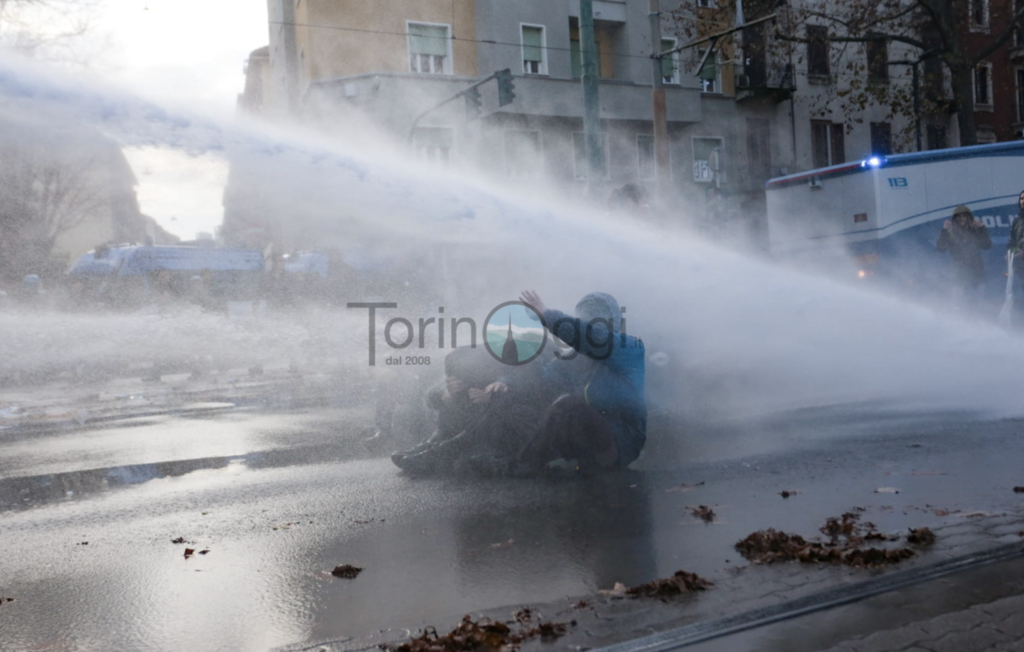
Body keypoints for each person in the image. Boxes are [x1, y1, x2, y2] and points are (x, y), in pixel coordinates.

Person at [515, 290, 646, 473]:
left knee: (568, 405)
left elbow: (592, 338)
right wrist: (504, 384)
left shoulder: (630, 347)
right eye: (585, 318)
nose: (589, 322)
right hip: (585, 438)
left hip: (619, 442)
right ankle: (529, 459)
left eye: (595, 318)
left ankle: (520, 468)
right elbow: (542, 379)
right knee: (518, 404)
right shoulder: (576, 358)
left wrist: (546, 315)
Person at [390, 346, 547, 476]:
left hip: (521, 430)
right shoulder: (473, 358)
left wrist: (495, 395)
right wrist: (445, 394)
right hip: (480, 423)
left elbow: (530, 385)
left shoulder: (523, 356)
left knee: (499, 410)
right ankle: (433, 445)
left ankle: (440, 452)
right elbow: (432, 394)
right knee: (453, 403)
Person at [936, 205, 991, 297]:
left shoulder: (976, 230)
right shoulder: (950, 231)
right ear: (955, 218)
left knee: (979, 299)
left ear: (968, 217)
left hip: (976, 270)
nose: (961, 219)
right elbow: (940, 248)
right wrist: (944, 230)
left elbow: (986, 245)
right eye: (959, 217)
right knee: (959, 299)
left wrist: (982, 228)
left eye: (964, 216)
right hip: (959, 272)